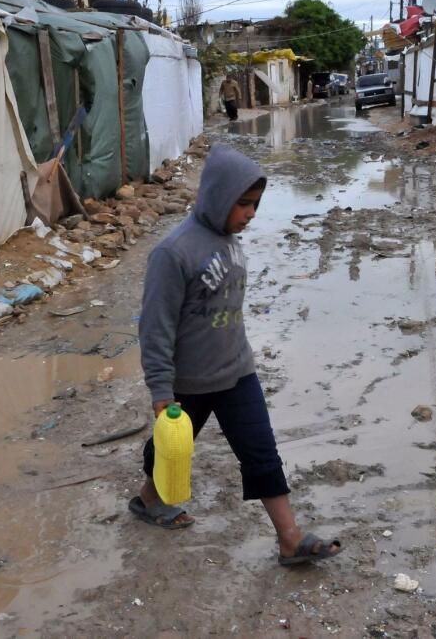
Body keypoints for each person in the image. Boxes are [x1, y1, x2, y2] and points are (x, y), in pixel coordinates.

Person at [129, 144, 342, 567]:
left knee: (261, 452)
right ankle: (149, 499)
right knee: (173, 451)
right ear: (217, 196)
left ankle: (289, 538)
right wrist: (161, 390)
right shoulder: (172, 253)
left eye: (256, 204)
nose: (251, 213)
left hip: (237, 373)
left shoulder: (228, 241)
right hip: (190, 382)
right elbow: (155, 328)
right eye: (243, 204)